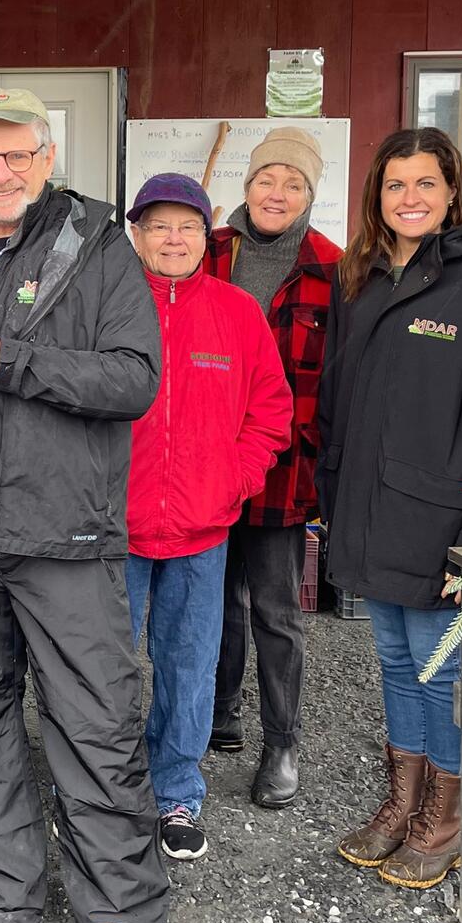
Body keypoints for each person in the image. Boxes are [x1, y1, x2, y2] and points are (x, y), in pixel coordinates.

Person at [0, 88, 167, 923]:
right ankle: (1, 905)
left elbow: (133, 378)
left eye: (18, 153)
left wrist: (5, 355)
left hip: (67, 534)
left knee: (94, 719)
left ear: (48, 158)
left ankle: (118, 911)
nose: (1, 170)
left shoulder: (97, 247)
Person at [317, 127, 462, 890]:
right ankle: (403, 802)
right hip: (369, 509)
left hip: (442, 519)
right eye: (394, 186)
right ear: (377, 197)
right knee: (391, 660)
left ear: (452, 193)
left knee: (437, 668)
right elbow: (342, 402)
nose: (409, 198)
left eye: (424, 184)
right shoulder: (365, 277)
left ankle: (444, 821)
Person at [123, 172, 292, 864]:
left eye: (186, 226)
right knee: (103, 668)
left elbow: (271, 413)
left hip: (202, 527)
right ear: (136, 234)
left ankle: (176, 791)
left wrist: (237, 478)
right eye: (158, 225)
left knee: (188, 665)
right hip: (115, 527)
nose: (173, 238)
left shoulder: (237, 312)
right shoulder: (110, 306)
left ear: (207, 234)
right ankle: (105, 789)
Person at [205, 127, 342, 809]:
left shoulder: (333, 268)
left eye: (293, 184)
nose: (277, 193)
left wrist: (314, 454)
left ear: (309, 195)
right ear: (247, 186)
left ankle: (281, 742)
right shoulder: (209, 251)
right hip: (206, 463)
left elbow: (340, 379)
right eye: (267, 179)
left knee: (277, 610)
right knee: (212, 598)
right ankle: (219, 711)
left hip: (284, 469)